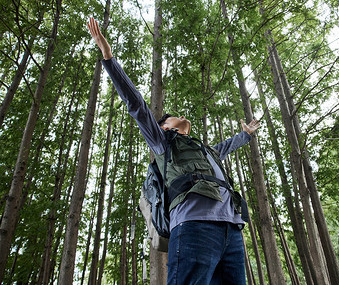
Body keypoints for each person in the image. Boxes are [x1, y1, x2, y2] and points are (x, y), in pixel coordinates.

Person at [87, 17, 260, 285]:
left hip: (232, 231)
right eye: (171, 117)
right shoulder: (163, 143)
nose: (177, 116)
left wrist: (246, 134)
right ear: (164, 127)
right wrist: (109, 59)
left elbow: (228, 145)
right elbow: (137, 106)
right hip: (193, 225)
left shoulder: (205, 150)